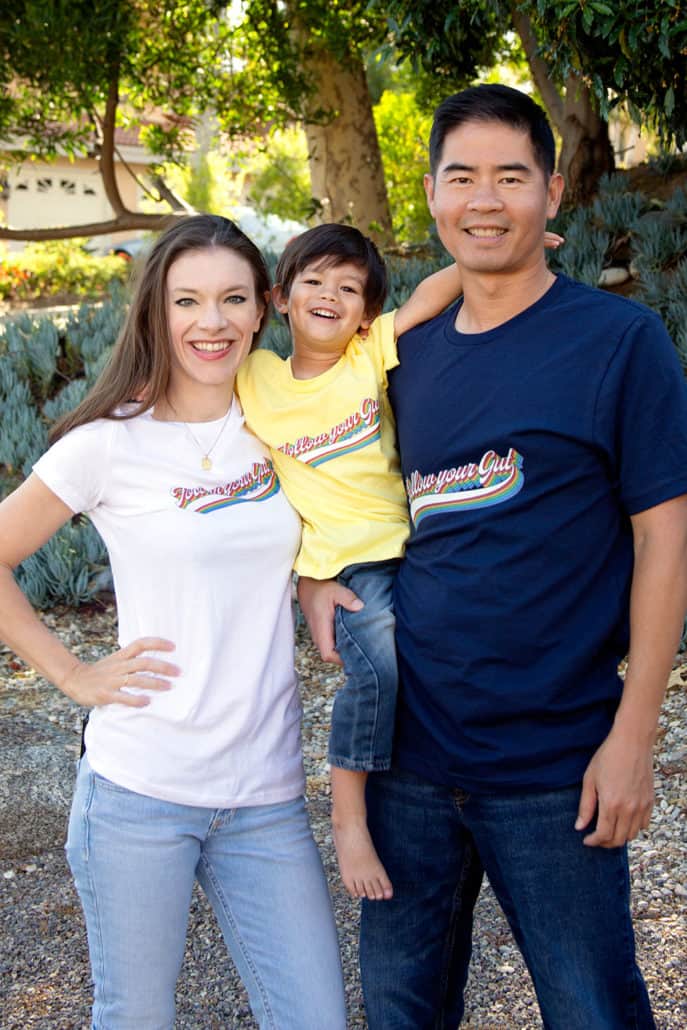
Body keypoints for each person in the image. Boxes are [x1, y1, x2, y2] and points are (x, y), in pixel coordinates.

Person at [298, 84, 687, 1028]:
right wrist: (313, 574)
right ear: (431, 196)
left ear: (552, 194)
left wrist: (634, 736)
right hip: (408, 763)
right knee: (401, 1012)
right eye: (461, 177)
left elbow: (665, 539)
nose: (484, 199)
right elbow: (328, 471)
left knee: (594, 1010)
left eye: (510, 177)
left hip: (556, 764)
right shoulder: (404, 354)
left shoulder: (618, 341)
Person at [0, 215, 347, 1029]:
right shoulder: (107, 445)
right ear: (157, 311)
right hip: (139, 795)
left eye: (232, 299)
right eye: (187, 300)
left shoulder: (284, 425)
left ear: (264, 310)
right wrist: (72, 674)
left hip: (265, 794)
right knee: (136, 1017)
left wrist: (320, 583)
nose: (211, 322)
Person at [238, 224, 562, 902]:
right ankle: (349, 816)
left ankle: (472, 789)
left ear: (365, 311)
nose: (330, 295)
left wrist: (515, 247)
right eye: (315, 281)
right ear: (280, 298)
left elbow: (435, 292)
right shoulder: (255, 377)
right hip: (347, 565)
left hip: (412, 546)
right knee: (377, 664)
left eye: (349, 288)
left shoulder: (365, 356)